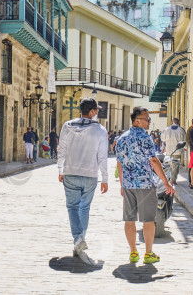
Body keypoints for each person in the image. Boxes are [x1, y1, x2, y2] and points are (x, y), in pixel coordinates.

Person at [115, 107, 175, 265]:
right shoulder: (145, 138)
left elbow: (119, 165)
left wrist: (122, 184)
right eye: (147, 119)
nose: (149, 122)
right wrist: (166, 182)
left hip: (128, 185)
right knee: (148, 220)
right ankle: (148, 253)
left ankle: (133, 252)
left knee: (129, 220)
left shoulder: (121, 139)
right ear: (137, 121)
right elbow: (154, 161)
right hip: (145, 184)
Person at [57, 97, 109, 259]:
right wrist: (105, 178)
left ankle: (78, 239)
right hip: (90, 174)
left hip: (70, 172)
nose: (96, 113)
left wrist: (60, 168)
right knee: (84, 208)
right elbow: (102, 156)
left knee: (72, 207)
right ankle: (81, 239)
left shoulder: (67, 126)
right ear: (92, 111)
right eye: (96, 111)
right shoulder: (100, 130)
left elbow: (62, 150)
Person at [160, 117, 187, 185]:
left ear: (172, 122)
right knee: (175, 165)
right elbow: (185, 140)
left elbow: (162, 139)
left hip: (169, 151)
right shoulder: (181, 130)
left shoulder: (167, 129)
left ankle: (170, 178)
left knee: (171, 164)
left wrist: (162, 148)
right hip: (177, 151)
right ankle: (173, 179)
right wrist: (185, 147)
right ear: (179, 122)